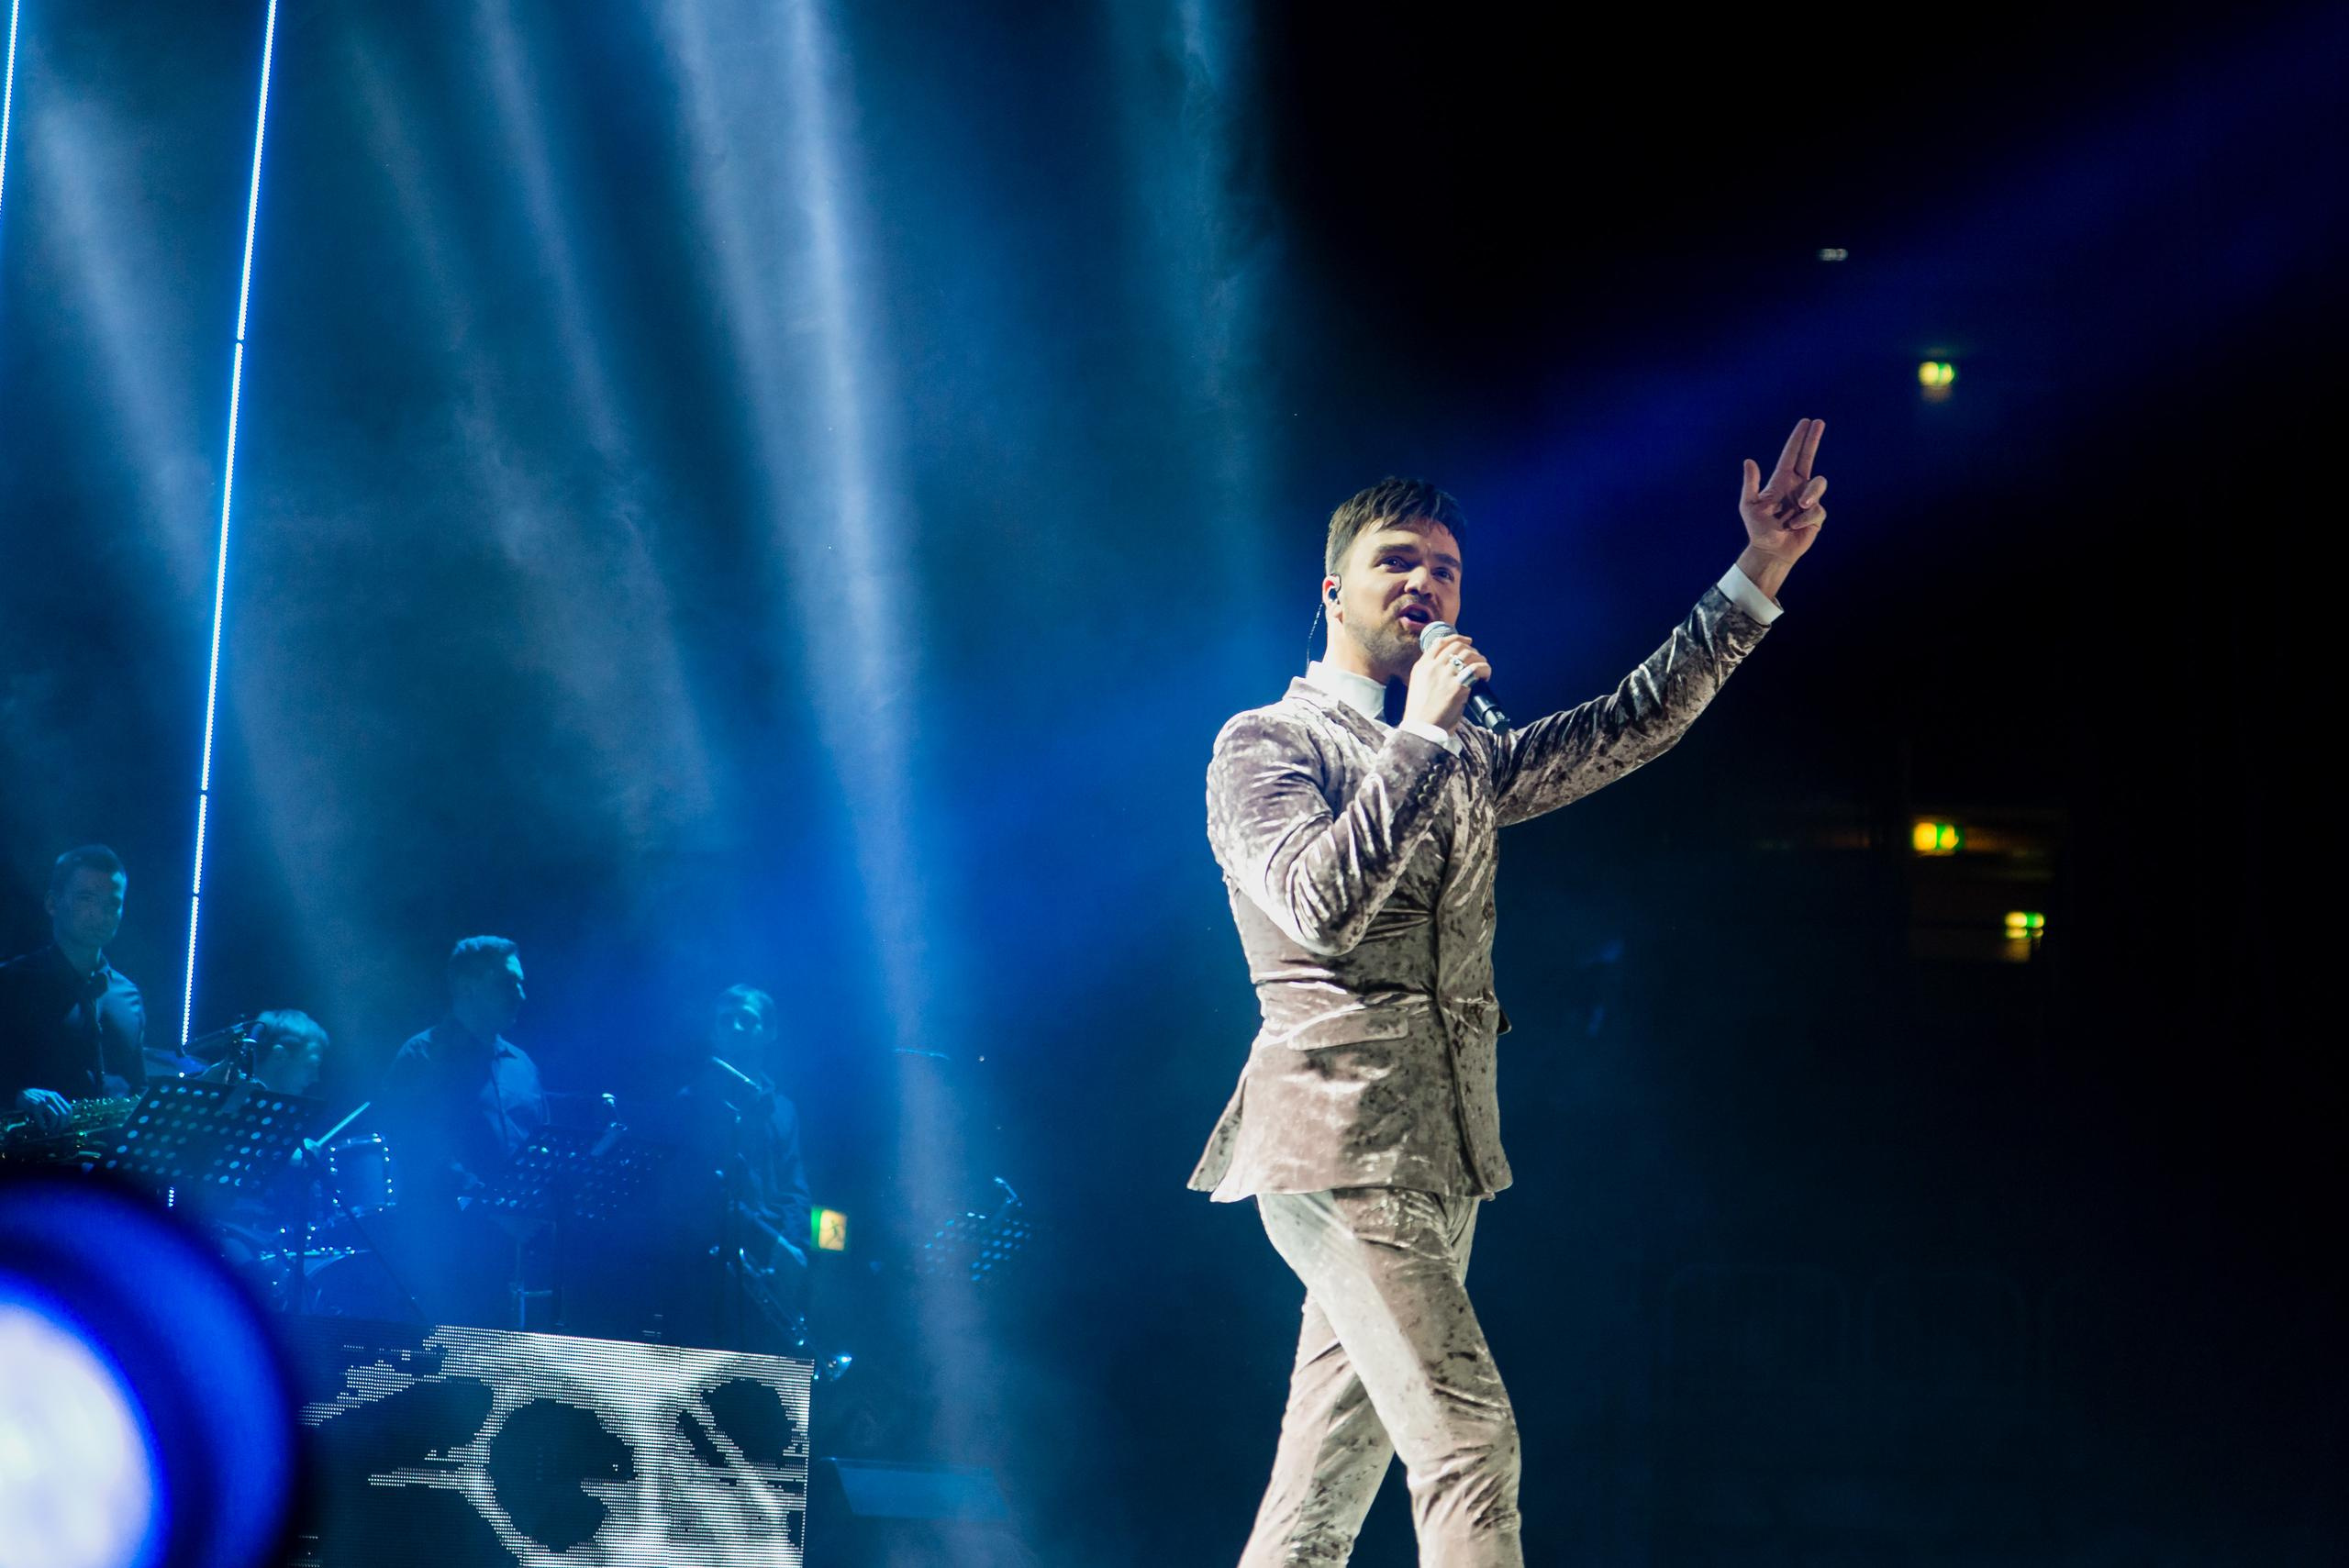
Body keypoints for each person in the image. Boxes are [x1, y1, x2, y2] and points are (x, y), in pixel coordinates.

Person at [1192, 421, 1829, 1567]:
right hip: (1338, 1140)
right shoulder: (1264, 743)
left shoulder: (1462, 757)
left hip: (1444, 1154)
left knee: (1317, 1498)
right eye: (1397, 560)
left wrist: (1757, 574)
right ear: (1332, 587)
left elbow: (1626, 726)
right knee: (1468, 1444)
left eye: (1442, 567)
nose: (1424, 583)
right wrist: (1422, 731)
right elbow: (1316, 903)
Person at [376, 935, 549, 1324]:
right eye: (507, 983)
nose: (521, 994)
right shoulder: (423, 1055)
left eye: (521, 983)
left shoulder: (523, 1065)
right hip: (447, 1250)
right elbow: (415, 1146)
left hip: (519, 1251)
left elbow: (541, 1146)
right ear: (467, 988)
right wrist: (491, 1205)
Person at [648, 984, 813, 1351]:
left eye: (748, 1020)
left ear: (769, 1032)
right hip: (708, 1275)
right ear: (714, 1033)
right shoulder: (690, 1103)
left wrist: (793, 1247)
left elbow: (795, 1187)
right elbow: (692, 1193)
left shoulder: (784, 1108)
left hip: (770, 1269)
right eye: (727, 1020)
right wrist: (771, 1240)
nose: (737, 1027)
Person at [0, 845, 146, 1133]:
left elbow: (138, 1088)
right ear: (53, 903)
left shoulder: (129, 996)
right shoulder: (11, 982)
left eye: (112, 903)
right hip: (32, 1166)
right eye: (86, 898)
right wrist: (18, 1095)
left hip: (108, 1168)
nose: (100, 914)